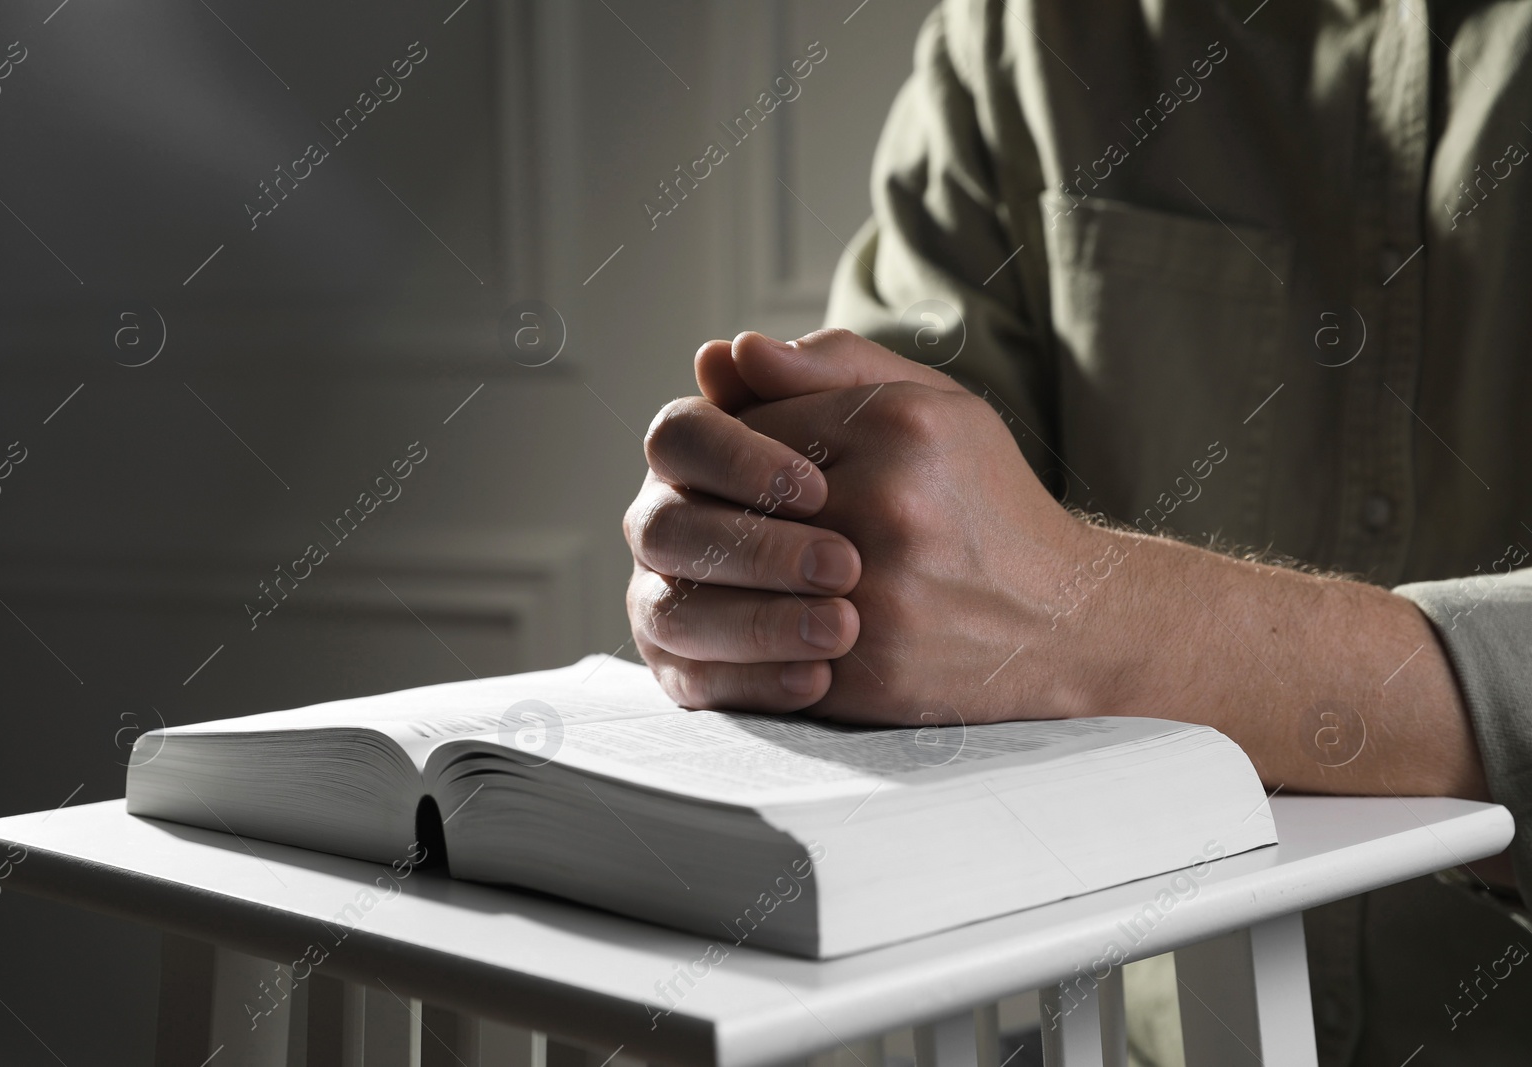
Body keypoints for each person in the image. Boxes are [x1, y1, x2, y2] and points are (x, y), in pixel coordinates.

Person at [624, 0, 1532, 1063]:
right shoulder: (1019, 35)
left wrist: (1090, 614)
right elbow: (886, 546)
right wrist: (776, 564)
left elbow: (987, 595)